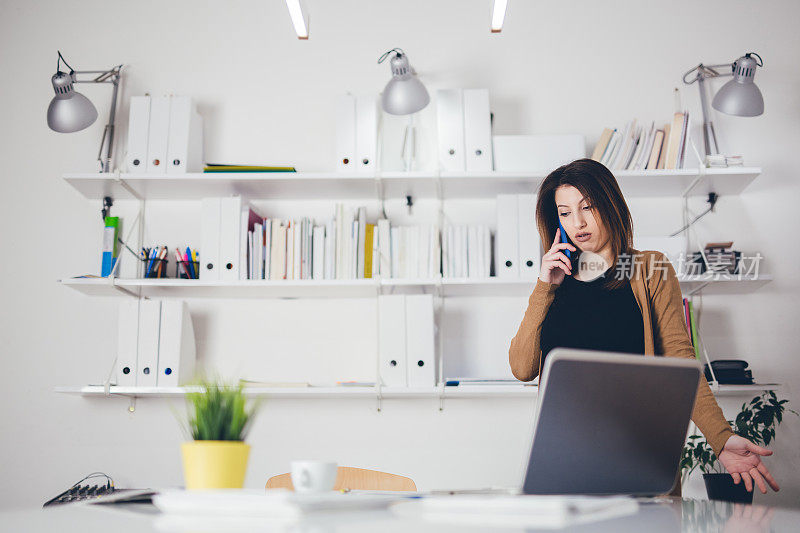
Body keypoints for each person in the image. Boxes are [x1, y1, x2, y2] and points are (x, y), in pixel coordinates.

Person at [508, 159, 779, 495]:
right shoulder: (556, 280)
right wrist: (544, 285)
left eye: (587, 206)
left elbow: (680, 358)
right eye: (565, 212)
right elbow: (522, 368)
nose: (577, 222)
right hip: (565, 456)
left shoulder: (649, 267)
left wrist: (720, 439)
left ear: (611, 205)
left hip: (638, 453)